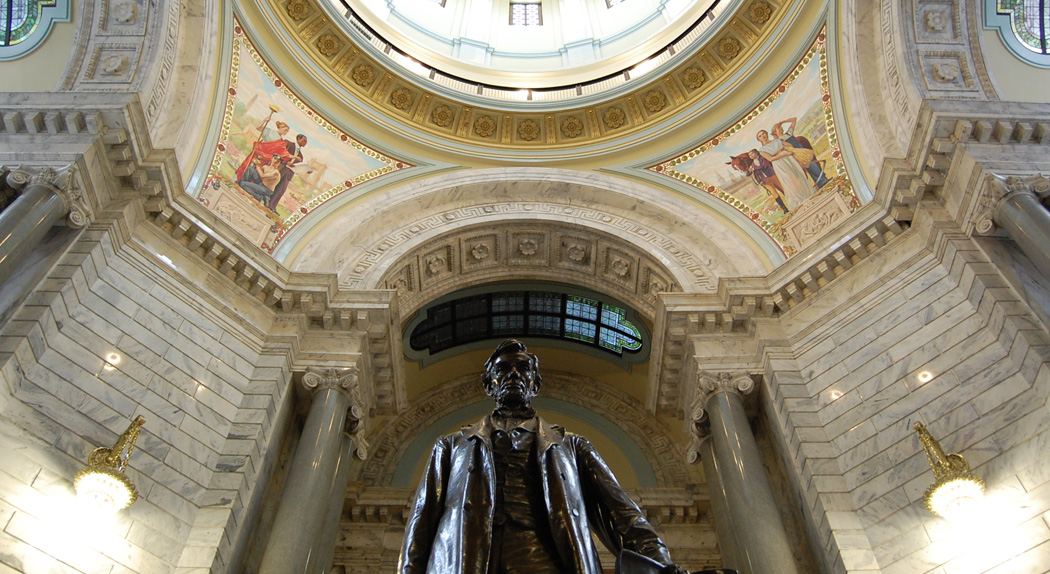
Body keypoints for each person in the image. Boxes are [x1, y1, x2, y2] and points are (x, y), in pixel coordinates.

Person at [399, 340, 689, 574]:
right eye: (503, 370)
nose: (513, 375)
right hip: (464, 559)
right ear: (488, 385)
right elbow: (420, 525)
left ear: (535, 385)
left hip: (544, 557)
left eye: (523, 369)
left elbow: (622, 512)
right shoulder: (450, 446)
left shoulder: (572, 446)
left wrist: (661, 563)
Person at [757, 129, 809, 210]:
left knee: (797, 175)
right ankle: (798, 200)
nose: (762, 136)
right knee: (789, 181)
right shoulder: (762, 150)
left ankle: (806, 195)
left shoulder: (777, 141)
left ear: (766, 134)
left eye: (763, 133)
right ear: (759, 139)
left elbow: (789, 145)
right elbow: (770, 159)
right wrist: (784, 154)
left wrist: (786, 149)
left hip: (789, 159)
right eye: (760, 136)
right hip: (779, 164)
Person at [771, 118, 829, 190]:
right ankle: (822, 182)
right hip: (796, 155)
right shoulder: (778, 141)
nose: (781, 128)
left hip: (803, 152)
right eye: (778, 128)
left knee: (813, 166)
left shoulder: (788, 133)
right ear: (775, 132)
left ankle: (822, 182)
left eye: (780, 127)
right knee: (810, 167)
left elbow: (794, 120)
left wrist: (783, 121)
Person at [266, 133, 306, 212]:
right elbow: (280, 153)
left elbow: (298, 166)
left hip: (288, 173)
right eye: (304, 140)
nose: (305, 143)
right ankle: (263, 199)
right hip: (281, 167)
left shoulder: (301, 156)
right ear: (298, 139)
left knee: (281, 189)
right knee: (272, 183)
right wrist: (286, 162)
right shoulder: (288, 144)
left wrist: (305, 169)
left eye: (306, 142)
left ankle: (272, 206)